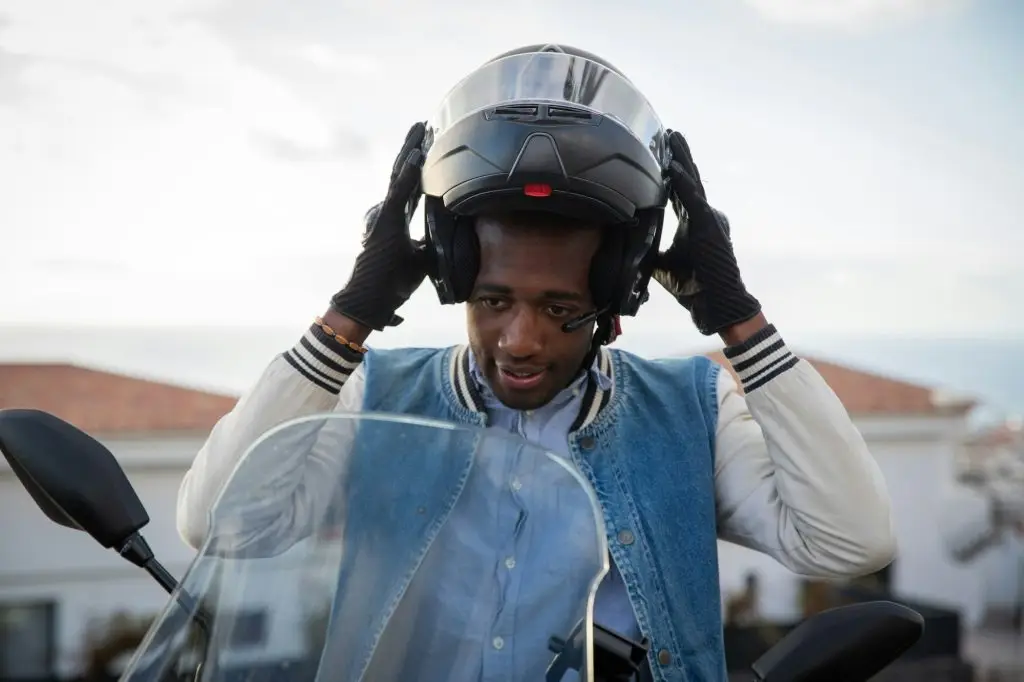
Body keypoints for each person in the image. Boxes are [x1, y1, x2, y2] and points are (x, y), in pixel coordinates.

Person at [176, 44, 895, 682]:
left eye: (560, 310)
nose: (520, 340)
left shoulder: (696, 411)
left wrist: (739, 319)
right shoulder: (376, 395)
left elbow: (851, 539)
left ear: (613, 294)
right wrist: (348, 320)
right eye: (493, 300)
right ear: (454, 277)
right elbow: (221, 523)